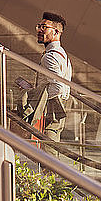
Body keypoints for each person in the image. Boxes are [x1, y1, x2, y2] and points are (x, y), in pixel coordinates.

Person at [22, 12, 72, 143]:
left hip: (52, 108)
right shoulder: (62, 54)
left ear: (56, 32)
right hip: (60, 106)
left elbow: (58, 87)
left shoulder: (50, 56)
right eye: (39, 26)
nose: (39, 30)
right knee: (51, 144)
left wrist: (43, 103)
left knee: (48, 147)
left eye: (44, 27)